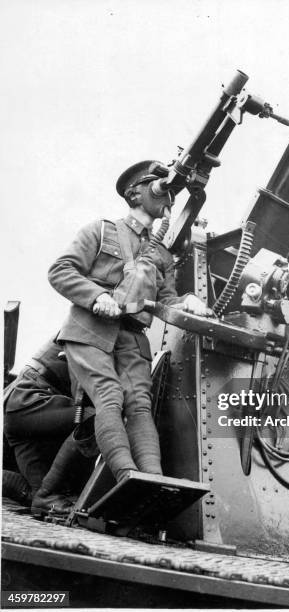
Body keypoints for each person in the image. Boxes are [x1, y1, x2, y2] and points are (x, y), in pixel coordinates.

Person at [47, 160, 210, 487]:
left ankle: (152, 482)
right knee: (109, 395)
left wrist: (187, 302)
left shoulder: (160, 255)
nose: (166, 196)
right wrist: (96, 297)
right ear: (135, 194)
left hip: (133, 336)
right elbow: (61, 270)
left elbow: (165, 300)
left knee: (139, 405)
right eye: (158, 187)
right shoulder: (101, 230)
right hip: (90, 329)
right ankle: (126, 477)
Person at [3, 337, 97, 514]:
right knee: (98, 419)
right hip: (32, 400)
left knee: (40, 500)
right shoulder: (90, 324)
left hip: (20, 412)